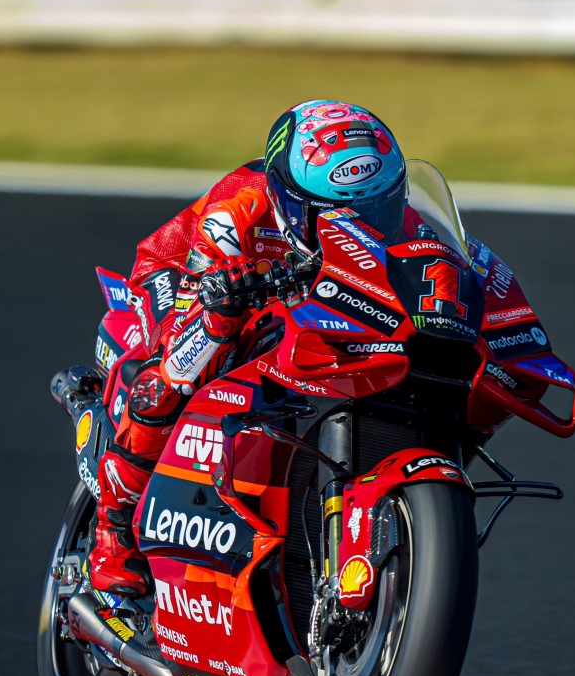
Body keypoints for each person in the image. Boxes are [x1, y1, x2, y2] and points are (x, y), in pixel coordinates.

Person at [88, 99, 421, 598]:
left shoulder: (405, 223)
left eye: (380, 206)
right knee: (173, 374)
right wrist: (223, 301)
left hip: (295, 299)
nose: (366, 225)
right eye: (340, 214)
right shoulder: (238, 206)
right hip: (180, 277)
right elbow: (197, 305)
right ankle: (111, 538)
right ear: (292, 202)